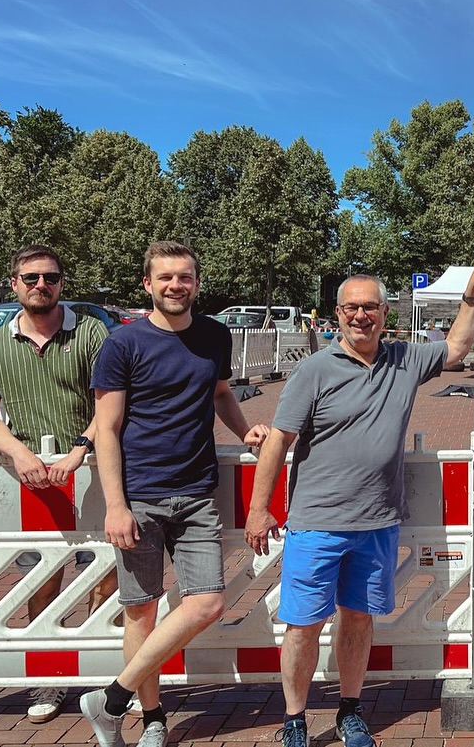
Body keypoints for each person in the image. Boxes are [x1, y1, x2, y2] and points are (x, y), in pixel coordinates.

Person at [244, 264, 474, 747]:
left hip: (377, 521)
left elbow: (456, 348)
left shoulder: (403, 359)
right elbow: (278, 440)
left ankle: (350, 710)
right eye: (352, 308)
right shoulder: (314, 370)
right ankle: (294, 719)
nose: (361, 316)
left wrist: (469, 299)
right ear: (338, 314)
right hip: (317, 522)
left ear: (385, 313)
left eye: (371, 307)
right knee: (303, 625)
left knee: (358, 619)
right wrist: (260, 509)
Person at [79, 241, 268, 747]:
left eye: (184, 277)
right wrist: (116, 505)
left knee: (206, 603)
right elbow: (107, 427)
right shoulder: (123, 344)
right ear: (148, 284)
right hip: (139, 494)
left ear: (197, 283)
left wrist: (244, 431)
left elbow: (220, 392)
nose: (175, 285)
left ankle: (110, 699)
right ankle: (151, 717)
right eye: (165, 277)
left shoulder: (214, 335)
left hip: (196, 492)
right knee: (141, 610)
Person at [0, 245, 115, 724]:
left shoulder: (90, 333)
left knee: (103, 572)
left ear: (61, 283)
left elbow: (110, 403)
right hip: (32, 479)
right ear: (14, 284)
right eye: (30, 278)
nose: (40, 286)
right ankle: (49, 675)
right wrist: (19, 453)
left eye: (49, 277)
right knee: (39, 575)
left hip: (93, 470)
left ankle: (104, 675)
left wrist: (80, 450)